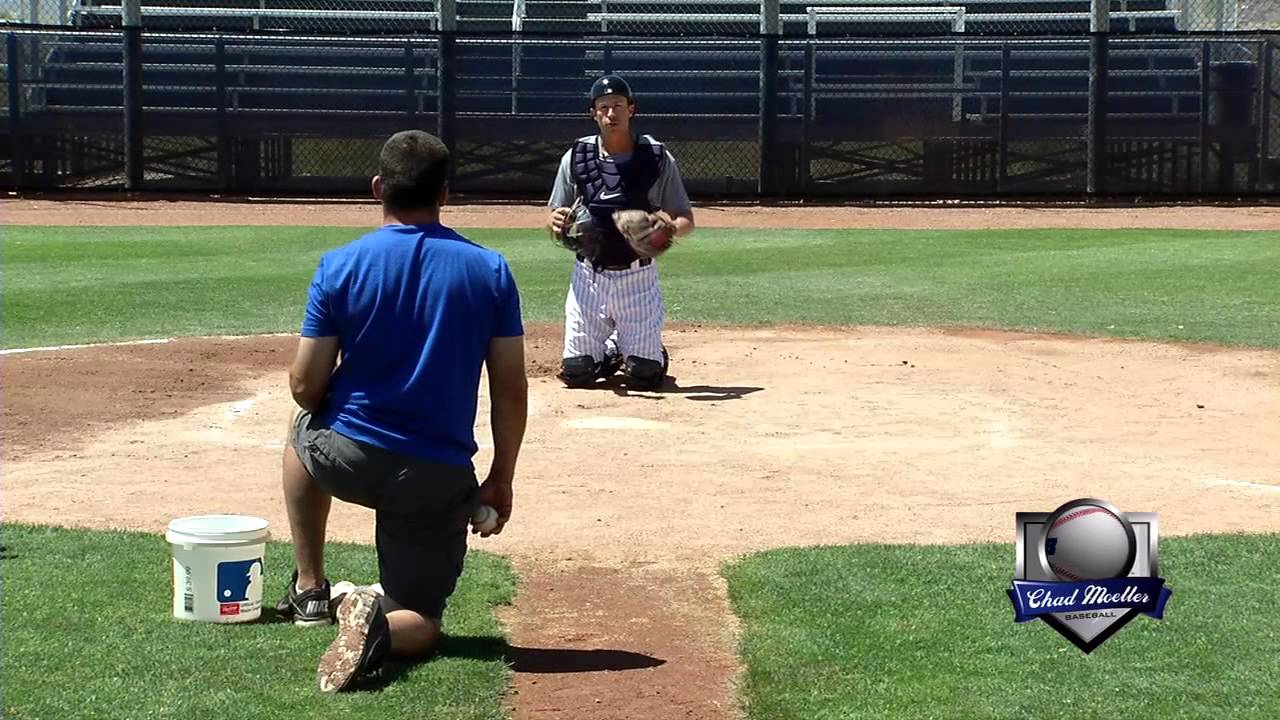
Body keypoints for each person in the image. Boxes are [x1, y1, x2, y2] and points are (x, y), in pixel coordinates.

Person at [274, 129, 528, 693]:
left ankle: (310, 588)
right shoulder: (489, 270)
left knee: (301, 428)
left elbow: (304, 383)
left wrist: (331, 402)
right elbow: (510, 388)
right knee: (422, 619)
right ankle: (379, 626)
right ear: (444, 194)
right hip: (435, 476)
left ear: (377, 188)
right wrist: (500, 478)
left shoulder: (340, 265)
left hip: (348, 456)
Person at [547, 74, 695, 391]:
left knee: (644, 376)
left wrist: (669, 227)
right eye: (603, 107)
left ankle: (636, 351)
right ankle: (610, 353)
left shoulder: (656, 157)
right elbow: (554, 214)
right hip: (589, 276)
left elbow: (686, 219)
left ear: (631, 109)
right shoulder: (575, 157)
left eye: (617, 105)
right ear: (593, 113)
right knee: (577, 373)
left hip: (637, 276)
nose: (611, 113)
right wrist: (556, 222)